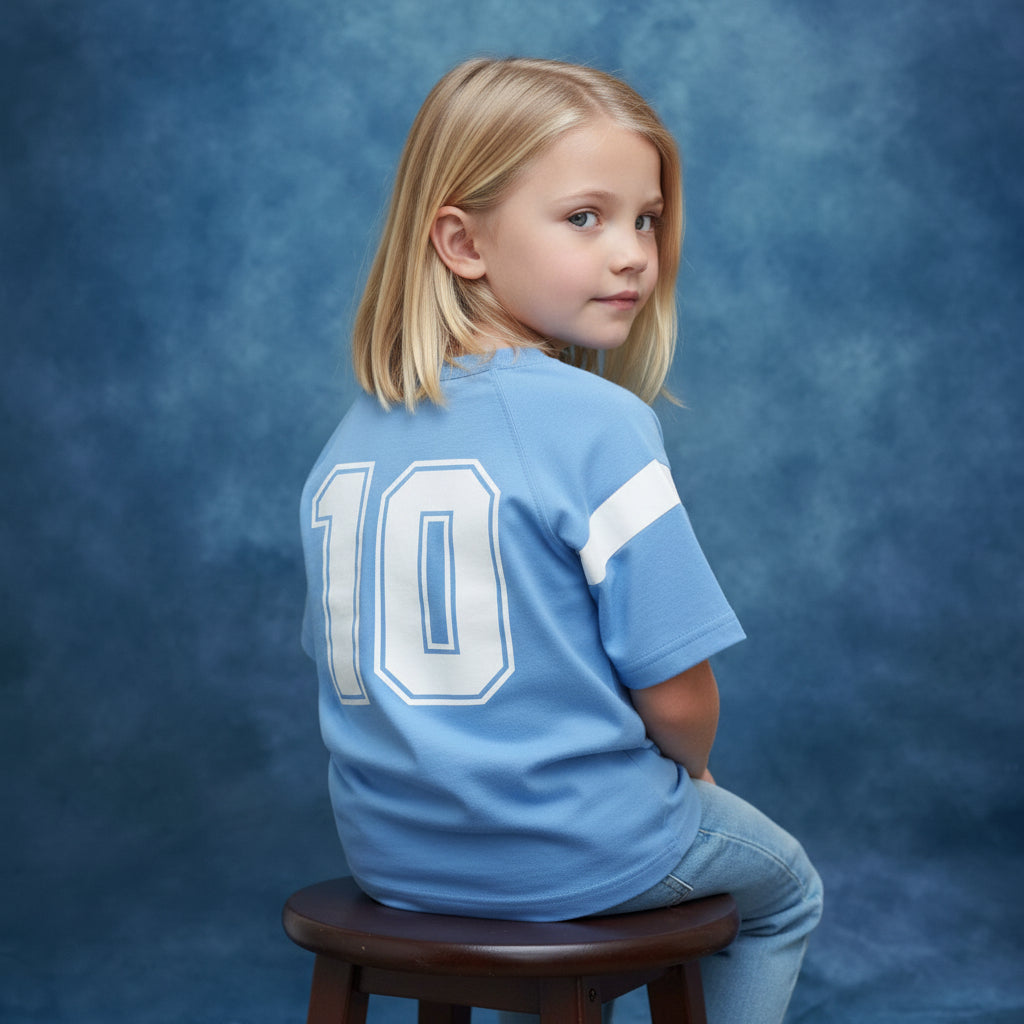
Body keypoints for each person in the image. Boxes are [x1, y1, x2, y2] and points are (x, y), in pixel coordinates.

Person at [299, 56, 823, 1023]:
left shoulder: (350, 439)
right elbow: (676, 693)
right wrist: (693, 769)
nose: (631, 252)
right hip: (574, 850)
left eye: (647, 219)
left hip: (392, 856)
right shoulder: (597, 423)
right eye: (586, 217)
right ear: (462, 240)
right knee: (786, 891)